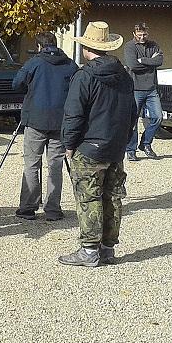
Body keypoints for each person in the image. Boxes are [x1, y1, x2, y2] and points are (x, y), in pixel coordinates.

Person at [60, 21, 136, 267]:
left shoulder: (84, 76)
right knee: (113, 197)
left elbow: (74, 114)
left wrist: (69, 144)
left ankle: (89, 250)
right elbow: (132, 112)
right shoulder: (124, 75)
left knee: (89, 197)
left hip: (89, 146)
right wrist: (124, 140)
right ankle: (107, 249)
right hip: (115, 146)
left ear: (87, 48)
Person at [12, 31, 78, 222]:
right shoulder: (70, 64)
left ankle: (28, 208)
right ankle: (53, 209)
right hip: (60, 121)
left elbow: (16, 84)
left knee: (32, 164)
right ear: (56, 44)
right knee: (55, 165)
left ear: (39, 46)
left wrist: (30, 89)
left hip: (36, 119)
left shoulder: (34, 63)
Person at [124, 22, 163, 161]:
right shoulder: (129, 46)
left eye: (144, 34)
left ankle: (146, 143)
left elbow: (159, 61)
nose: (142, 37)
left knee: (158, 117)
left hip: (151, 89)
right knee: (132, 121)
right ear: (134, 34)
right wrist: (150, 62)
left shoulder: (154, 45)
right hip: (135, 89)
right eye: (139, 34)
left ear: (148, 33)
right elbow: (132, 65)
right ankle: (131, 150)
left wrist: (142, 60)